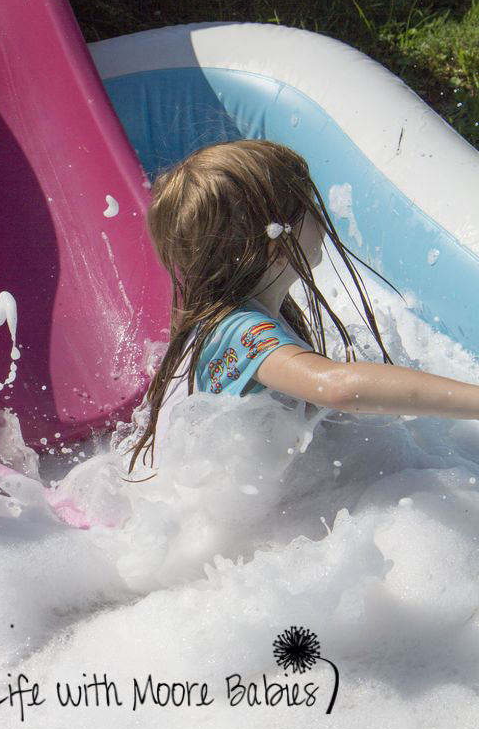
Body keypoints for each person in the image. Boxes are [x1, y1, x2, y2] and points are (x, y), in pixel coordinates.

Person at [124, 138, 479, 477]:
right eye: (309, 207)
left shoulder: (238, 311)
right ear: (275, 246)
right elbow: (337, 387)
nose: (322, 218)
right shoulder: (240, 331)